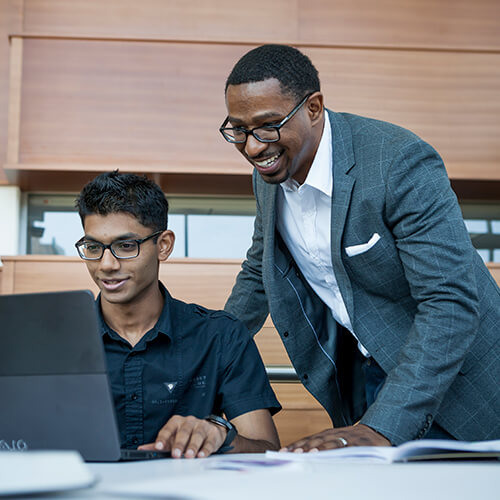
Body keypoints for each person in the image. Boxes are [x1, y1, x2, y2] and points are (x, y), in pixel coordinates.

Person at [221, 44, 500, 450]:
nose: (252, 147)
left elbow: (450, 304)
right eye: (238, 130)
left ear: (313, 108)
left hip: (460, 382)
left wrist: (381, 427)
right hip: (369, 372)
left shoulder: (397, 161)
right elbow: (258, 272)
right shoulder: (271, 173)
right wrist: (204, 354)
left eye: (267, 126)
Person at [75, 171, 281, 458]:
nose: (106, 264)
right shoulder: (58, 341)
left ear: (164, 245)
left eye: (125, 246)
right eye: (94, 247)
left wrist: (220, 436)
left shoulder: (222, 336)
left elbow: (267, 449)